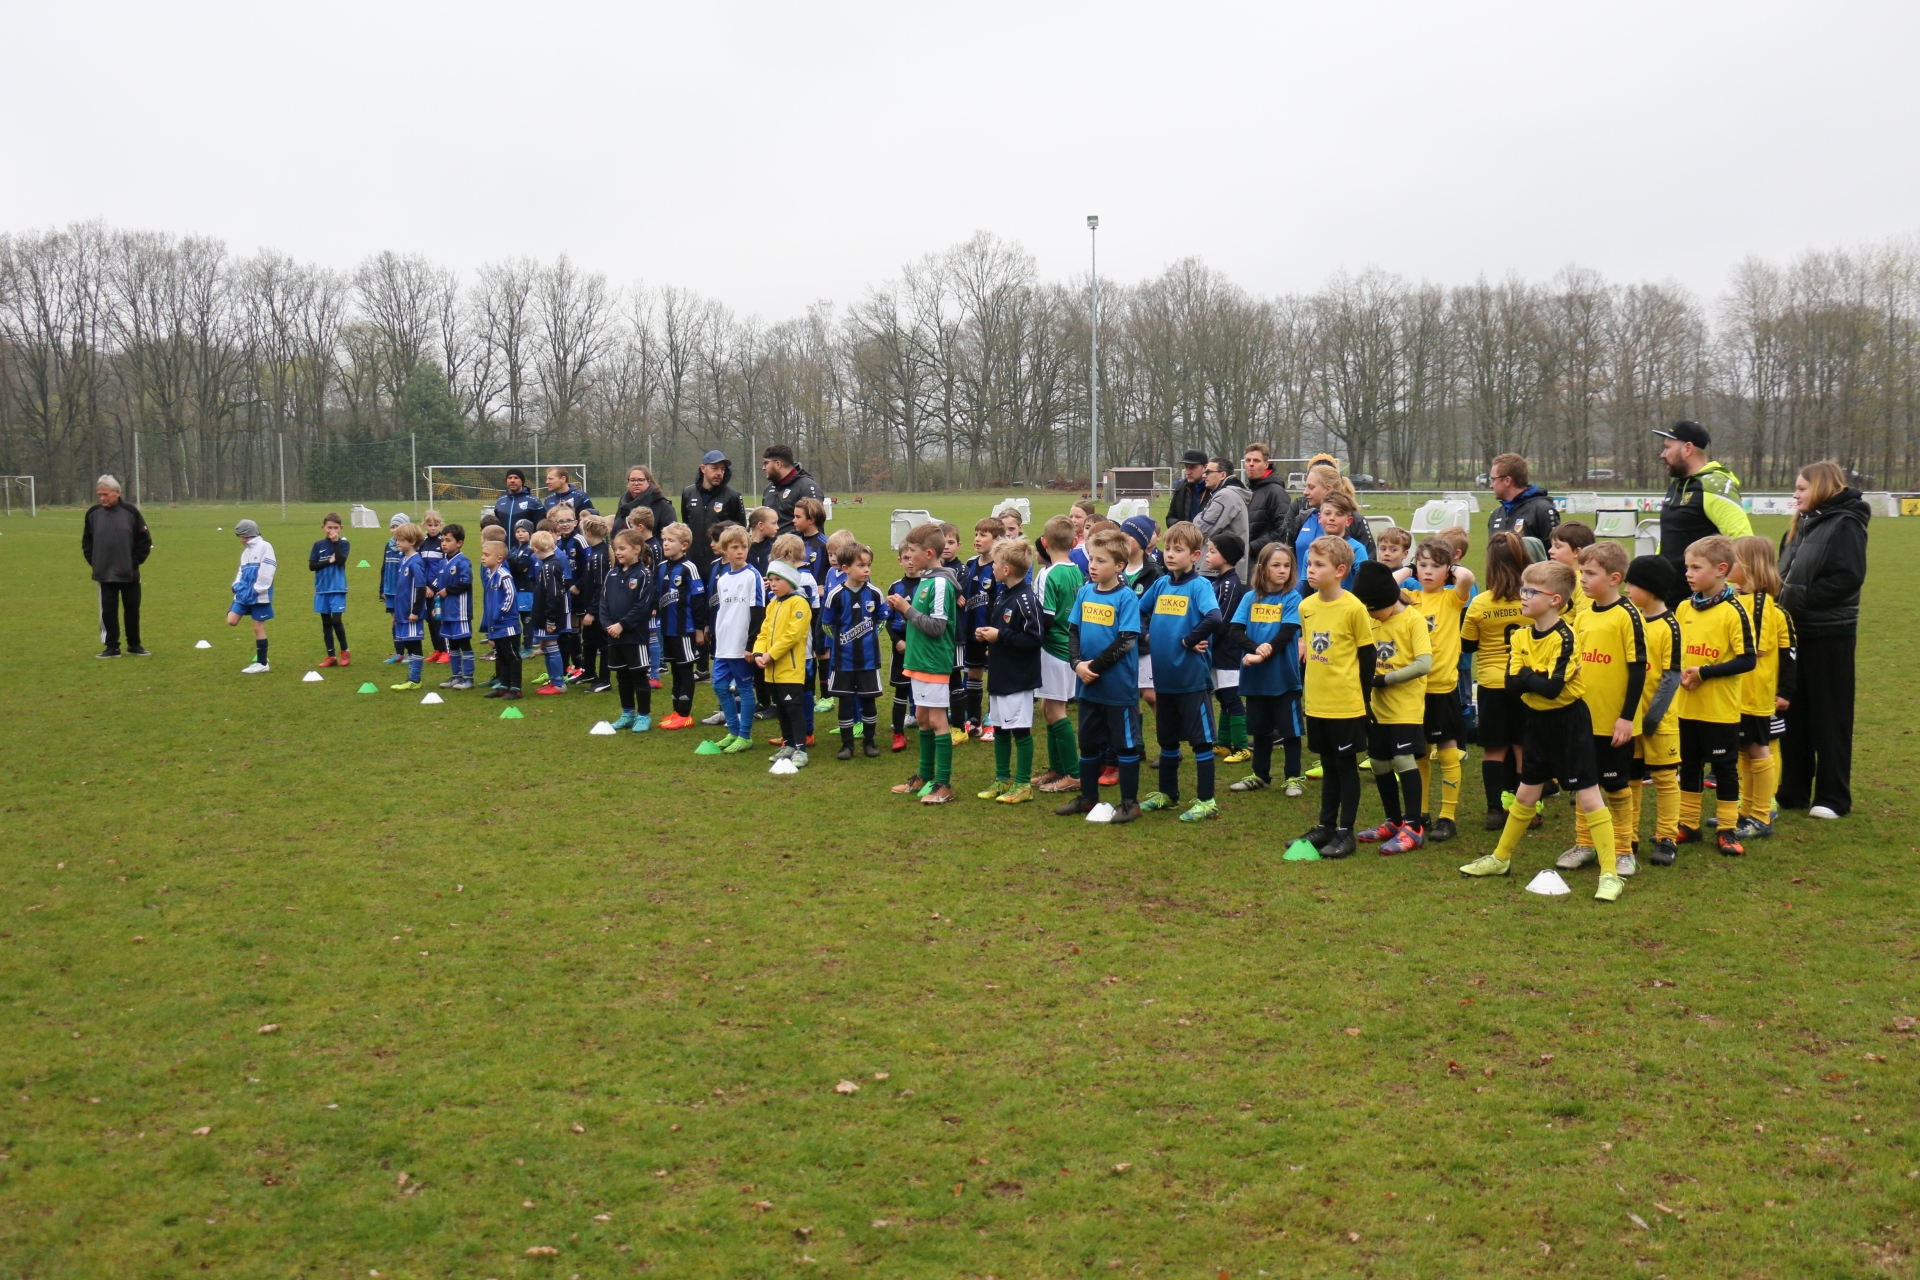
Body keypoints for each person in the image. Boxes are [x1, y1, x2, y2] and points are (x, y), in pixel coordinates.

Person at [1459, 560, 1624, 902]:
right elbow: (1510, 685)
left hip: (1569, 722)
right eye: (1523, 588)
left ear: (1555, 600)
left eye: (1531, 591)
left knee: (1589, 796)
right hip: (1535, 721)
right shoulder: (1520, 635)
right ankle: (1500, 859)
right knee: (1524, 795)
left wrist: (1529, 676)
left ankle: (1610, 874)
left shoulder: (1566, 637)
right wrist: (1535, 677)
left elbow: (1550, 689)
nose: (1523, 595)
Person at [1776, 460, 1868, 819]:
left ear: (1822, 487)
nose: (1795, 494)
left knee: (1831, 716)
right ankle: (1793, 790)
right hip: (1794, 632)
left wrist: (1797, 598)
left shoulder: (1846, 524)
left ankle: (1833, 797)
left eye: (1802, 488)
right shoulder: (1799, 525)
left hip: (1831, 634)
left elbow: (1848, 578)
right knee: (1793, 713)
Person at [1555, 541, 1644, 877]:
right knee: (1584, 784)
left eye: (1590, 573)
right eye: (1581, 572)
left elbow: (1638, 670)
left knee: (1617, 786)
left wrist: (1626, 718)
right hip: (1582, 720)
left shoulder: (1628, 615)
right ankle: (1585, 843)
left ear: (1614, 578)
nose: (1583, 579)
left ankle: (1623, 849)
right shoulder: (1582, 616)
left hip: (1614, 723)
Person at [1137, 522, 1227, 822]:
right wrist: (1146, 635)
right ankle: (1168, 794)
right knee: (1167, 740)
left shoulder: (1199, 586)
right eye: (1168, 549)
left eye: (1178, 550)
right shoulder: (1161, 585)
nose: (1170, 554)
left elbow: (1214, 617)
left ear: (1195, 555)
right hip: (1164, 680)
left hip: (1191, 679)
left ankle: (1207, 801)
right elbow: (1139, 611)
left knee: (1201, 741)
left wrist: (1189, 639)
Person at [1055, 528, 1146, 823]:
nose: (1093, 566)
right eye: (1092, 559)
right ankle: (1088, 797)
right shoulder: (1085, 592)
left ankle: (1130, 803)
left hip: (1117, 687)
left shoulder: (1126, 597)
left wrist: (1092, 668)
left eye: (1101, 561)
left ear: (1119, 566)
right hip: (1088, 685)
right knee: (1088, 743)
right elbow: (1073, 631)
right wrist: (1076, 664)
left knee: (1125, 745)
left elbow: (1126, 640)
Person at [1672, 535, 1755, 856]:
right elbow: (1676, 651)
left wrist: (1704, 673)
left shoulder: (1734, 611)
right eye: (1687, 567)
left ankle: (1727, 829)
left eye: (1696, 567)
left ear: (1721, 570)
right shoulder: (1684, 607)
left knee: (1724, 769)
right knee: (1689, 767)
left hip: (1719, 710)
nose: (1688, 573)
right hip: (1685, 707)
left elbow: (1747, 660)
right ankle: (1688, 825)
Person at [1294, 535, 1375, 858]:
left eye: (1319, 565)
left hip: (1346, 704)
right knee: (1327, 764)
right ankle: (1325, 826)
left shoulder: (1354, 608)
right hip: (1317, 702)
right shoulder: (1306, 606)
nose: (1310, 570)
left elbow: (1367, 658)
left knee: (1345, 766)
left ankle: (1345, 831)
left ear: (1340, 571)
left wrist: (1364, 701)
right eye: (1309, 564)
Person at [1353, 561, 1432, 855]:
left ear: (1388, 600)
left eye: (1374, 609)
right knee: (1378, 763)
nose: (1371, 614)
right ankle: (1393, 821)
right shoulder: (1372, 620)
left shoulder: (1413, 620)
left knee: (1403, 759)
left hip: (1405, 706)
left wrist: (1385, 679)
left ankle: (1414, 827)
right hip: (1378, 707)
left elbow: (1424, 664)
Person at [888, 523, 962, 805]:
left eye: (912, 551)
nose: (908, 556)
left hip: (933, 662)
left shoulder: (940, 583)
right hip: (918, 660)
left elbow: (937, 627)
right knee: (921, 717)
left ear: (928, 553)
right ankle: (925, 775)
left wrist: (906, 609)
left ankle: (944, 783)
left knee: (938, 720)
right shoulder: (926, 579)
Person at [1461, 531, 1531, 828]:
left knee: (1494, 749)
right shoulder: (1533, 599)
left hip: (1492, 683)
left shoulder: (1480, 603)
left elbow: (1467, 645)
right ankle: (1527, 809)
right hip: (1527, 683)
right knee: (1522, 747)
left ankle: (1494, 811)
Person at [1407, 538, 1475, 841]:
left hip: (1442, 688)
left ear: (1448, 570)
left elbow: (1467, 578)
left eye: (1435, 566)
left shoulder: (1451, 598)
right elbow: (1385, 585)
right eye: (1422, 565)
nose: (1427, 571)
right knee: (1419, 754)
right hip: (1413, 688)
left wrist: (1452, 570)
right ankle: (1421, 813)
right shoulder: (1409, 598)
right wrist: (1409, 568)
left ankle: (1448, 817)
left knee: (1447, 753)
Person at [1728, 535, 1794, 840]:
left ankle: (1761, 814)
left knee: (1758, 750)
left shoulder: (1758, 605)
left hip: (1753, 694)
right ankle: (1747, 810)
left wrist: (1785, 691)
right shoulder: (1742, 600)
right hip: (1739, 693)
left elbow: (1758, 650)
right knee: (1745, 752)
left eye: (1732, 560)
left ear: (1749, 566)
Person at [1227, 542, 1304, 796]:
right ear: (1261, 568)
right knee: (1260, 731)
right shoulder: (1250, 597)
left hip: (1284, 678)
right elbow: (1235, 630)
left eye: (1287, 566)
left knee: (1290, 732)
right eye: (1276, 565)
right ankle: (1260, 776)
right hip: (1256, 679)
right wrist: (1255, 648)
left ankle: (1293, 777)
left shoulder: (1292, 598)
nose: (1282, 570)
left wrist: (1263, 652)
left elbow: (1287, 632)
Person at [974, 537, 1045, 803]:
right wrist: (989, 638)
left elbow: (1034, 639)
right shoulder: (1003, 593)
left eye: (995, 563)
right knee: (1000, 728)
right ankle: (1002, 779)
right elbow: (1004, 631)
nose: (991, 567)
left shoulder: (1026, 600)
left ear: (1006, 569)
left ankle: (1023, 784)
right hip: (1000, 673)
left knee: (1020, 730)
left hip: (1018, 677)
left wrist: (1000, 637)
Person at [1623, 555, 1683, 865]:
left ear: (1651, 588)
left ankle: (1667, 838)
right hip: (1630, 719)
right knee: (1632, 777)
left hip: (1658, 721)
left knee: (1664, 777)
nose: (1626, 589)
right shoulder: (1631, 620)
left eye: (1632, 584)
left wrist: (1652, 718)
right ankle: (1629, 836)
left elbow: (1671, 677)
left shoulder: (1670, 626)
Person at [1655, 421, 1752, 605]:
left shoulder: (1714, 485)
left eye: (1667, 448)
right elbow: (1669, 538)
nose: (1663, 454)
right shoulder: (1676, 486)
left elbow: (1742, 540)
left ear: (1688, 449)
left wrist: (1726, 592)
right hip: (1670, 598)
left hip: (1703, 602)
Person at [702, 525, 766, 755]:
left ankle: (745, 736)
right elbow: (723, 611)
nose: (740, 551)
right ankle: (734, 731)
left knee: (745, 688)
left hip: (741, 645)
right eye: (735, 547)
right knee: (719, 686)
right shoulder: (722, 579)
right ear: (724, 550)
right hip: (724, 644)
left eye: (744, 547)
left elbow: (758, 611)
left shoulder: (752, 576)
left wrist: (751, 645)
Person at [1032, 516, 1085, 793]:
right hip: (1071, 648)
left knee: (1055, 710)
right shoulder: (1077, 571)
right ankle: (1057, 768)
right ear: (1074, 542)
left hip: (1053, 649)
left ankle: (1073, 774)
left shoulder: (1047, 574)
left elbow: (1046, 618)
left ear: (1044, 542)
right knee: (1048, 707)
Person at [822, 540, 886, 759]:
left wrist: (870, 636)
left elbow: (882, 620)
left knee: (868, 702)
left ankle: (870, 742)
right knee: (846, 702)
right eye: (861, 565)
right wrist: (842, 640)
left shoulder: (875, 593)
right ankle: (847, 745)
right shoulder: (835, 595)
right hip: (843, 661)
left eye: (868, 565)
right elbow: (827, 625)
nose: (866, 569)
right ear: (846, 568)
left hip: (868, 659)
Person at [754, 560, 815, 770]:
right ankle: (788, 744)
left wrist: (770, 655)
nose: (773, 584)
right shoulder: (773, 604)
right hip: (772, 670)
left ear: (790, 581)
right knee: (781, 708)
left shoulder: (799, 603)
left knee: (794, 709)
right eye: (771, 580)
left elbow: (793, 635)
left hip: (790, 668)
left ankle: (800, 749)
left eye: (778, 579)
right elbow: (764, 632)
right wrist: (758, 653)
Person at [82, 475, 151, 657]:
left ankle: (134, 645)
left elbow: (144, 541)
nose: (102, 498)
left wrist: (133, 563)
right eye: (100, 494)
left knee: (132, 610)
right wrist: (95, 562)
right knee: (108, 611)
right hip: (104, 573)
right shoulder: (93, 514)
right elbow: (87, 542)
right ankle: (111, 647)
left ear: (117, 493)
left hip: (129, 573)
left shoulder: (131, 512)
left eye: (105, 494)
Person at [601, 529, 658, 732]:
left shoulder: (643, 574)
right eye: (616, 548)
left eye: (622, 548)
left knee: (639, 676)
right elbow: (603, 603)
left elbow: (642, 606)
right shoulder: (612, 574)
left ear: (636, 549)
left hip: (635, 636)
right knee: (622, 676)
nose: (618, 552)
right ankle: (627, 713)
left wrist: (622, 625)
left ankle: (643, 716)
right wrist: (608, 625)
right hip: (614, 635)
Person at [652, 522, 708, 729]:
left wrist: (699, 629)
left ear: (684, 545)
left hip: (684, 629)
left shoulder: (689, 568)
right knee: (675, 669)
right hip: (667, 629)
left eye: (671, 540)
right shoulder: (661, 567)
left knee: (685, 669)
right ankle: (677, 710)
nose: (666, 544)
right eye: (664, 540)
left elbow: (698, 600)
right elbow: (656, 593)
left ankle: (685, 714)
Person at [1285, 462, 1380, 568]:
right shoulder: (1303, 518)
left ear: (1328, 489)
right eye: (1306, 487)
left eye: (1311, 487)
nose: (1305, 492)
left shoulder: (1354, 521)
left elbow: (1370, 564)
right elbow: (1288, 557)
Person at [1206, 534, 1250, 764]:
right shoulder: (1217, 582)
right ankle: (1224, 742)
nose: (1207, 555)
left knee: (1232, 697)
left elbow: (1221, 620)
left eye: (1212, 551)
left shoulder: (1230, 584)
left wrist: (1204, 638)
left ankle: (1242, 746)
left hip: (1228, 651)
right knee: (1223, 696)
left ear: (1225, 557)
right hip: (1217, 651)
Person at [960, 518, 1002, 737]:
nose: (977, 539)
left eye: (983, 535)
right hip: (971, 632)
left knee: (995, 675)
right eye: (976, 534)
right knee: (973, 673)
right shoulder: (970, 564)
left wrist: (996, 632)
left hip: (991, 633)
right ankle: (974, 720)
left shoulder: (999, 568)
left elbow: (1002, 603)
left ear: (997, 540)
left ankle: (994, 720)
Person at [226, 519, 278, 675]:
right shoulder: (246, 552)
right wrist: (236, 586)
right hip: (243, 594)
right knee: (231, 620)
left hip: (259, 596)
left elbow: (267, 571)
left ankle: (262, 663)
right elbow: (241, 572)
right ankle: (261, 662)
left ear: (246, 534)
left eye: (239, 536)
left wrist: (257, 590)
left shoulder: (265, 547)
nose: (239, 540)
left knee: (257, 627)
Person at [884, 540, 920, 754]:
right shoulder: (895, 586)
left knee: (924, 688)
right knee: (901, 689)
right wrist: (896, 640)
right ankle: (898, 734)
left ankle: (929, 727)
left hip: (922, 645)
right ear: (900, 561)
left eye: (913, 557)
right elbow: (886, 619)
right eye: (906, 558)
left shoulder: (928, 585)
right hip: (901, 646)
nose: (910, 562)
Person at [528, 530, 574, 696]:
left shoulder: (549, 567)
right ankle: (554, 680)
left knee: (552, 645)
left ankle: (559, 683)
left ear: (536, 550)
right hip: (547, 614)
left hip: (549, 616)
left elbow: (553, 594)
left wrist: (550, 619)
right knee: (547, 647)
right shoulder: (553, 563)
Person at [1485, 453, 1560, 552]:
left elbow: (1555, 555)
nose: (1491, 485)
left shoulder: (1542, 510)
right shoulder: (1496, 515)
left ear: (1507, 481)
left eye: (1493, 479)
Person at [387, 523, 430, 690]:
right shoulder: (402, 560)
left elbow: (420, 587)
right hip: (402, 612)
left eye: (401, 539)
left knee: (413, 644)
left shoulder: (415, 562)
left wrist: (415, 611)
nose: (397, 542)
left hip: (411, 614)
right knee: (408, 643)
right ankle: (412, 678)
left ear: (412, 541)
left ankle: (415, 679)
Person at [1192, 456, 1250, 579]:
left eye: (1208, 472)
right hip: (1222, 570)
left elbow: (1200, 530)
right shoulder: (1225, 494)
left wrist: (1196, 519)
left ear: (1222, 475)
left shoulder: (1225, 496)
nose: (1204, 476)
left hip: (1219, 572)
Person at [434, 524, 475, 690]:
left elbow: (466, 582)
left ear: (459, 543)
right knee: (452, 645)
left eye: (448, 540)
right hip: (447, 611)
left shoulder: (462, 561)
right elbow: (439, 587)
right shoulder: (442, 562)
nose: (444, 543)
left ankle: (469, 678)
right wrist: (437, 605)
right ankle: (456, 676)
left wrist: (448, 591)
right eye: (442, 540)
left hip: (460, 612)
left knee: (464, 643)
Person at [479, 539, 522, 700]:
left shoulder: (504, 575)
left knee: (512, 655)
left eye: (486, 555)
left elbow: (511, 595)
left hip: (507, 625)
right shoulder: (491, 575)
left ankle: (516, 688)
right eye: (483, 554)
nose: (483, 557)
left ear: (499, 558)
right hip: (496, 625)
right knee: (501, 655)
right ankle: (504, 685)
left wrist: (501, 613)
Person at [574, 515, 612, 693]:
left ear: (587, 531)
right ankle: (588, 672)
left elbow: (602, 585)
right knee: (588, 641)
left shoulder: (600, 555)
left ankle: (605, 680)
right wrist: (578, 586)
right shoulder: (594, 552)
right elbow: (589, 577)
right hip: (590, 605)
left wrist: (592, 612)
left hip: (598, 610)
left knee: (603, 644)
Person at [309, 513, 351, 667]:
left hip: (337, 588)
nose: (332, 531)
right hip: (322, 589)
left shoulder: (343, 544)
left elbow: (340, 561)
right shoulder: (318, 545)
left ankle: (345, 651)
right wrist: (328, 560)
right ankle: (331, 656)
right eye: (329, 527)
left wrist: (335, 543)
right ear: (323, 527)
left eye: (335, 528)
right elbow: (312, 566)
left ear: (341, 528)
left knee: (336, 620)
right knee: (326, 623)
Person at [1242, 442, 1293, 563]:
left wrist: (1252, 547)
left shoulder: (1276, 492)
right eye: (1248, 460)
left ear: (1266, 465)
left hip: (1264, 561)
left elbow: (1283, 530)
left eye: (1256, 461)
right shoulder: (1249, 491)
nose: (1251, 464)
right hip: (1247, 561)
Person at [760, 444, 826, 536]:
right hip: (772, 545)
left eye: (766, 463)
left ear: (778, 464)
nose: (763, 468)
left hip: (795, 545)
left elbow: (815, 529)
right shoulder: (769, 489)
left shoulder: (806, 487)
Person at [1314, 493, 1370, 589]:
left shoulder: (1357, 549)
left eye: (1339, 514)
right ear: (1319, 518)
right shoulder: (1313, 550)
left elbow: (1364, 585)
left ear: (1348, 521)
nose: (1332, 518)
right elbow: (1307, 590)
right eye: (1327, 513)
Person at [418, 511, 449, 665]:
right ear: (424, 526)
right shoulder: (422, 543)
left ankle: (446, 651)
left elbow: (444, 568)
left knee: (438, 619)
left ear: (440, 525)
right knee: (429, 620)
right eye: (430, 525)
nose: (433, 528)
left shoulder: (443, 543)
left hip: (438, 589)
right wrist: (424, 586)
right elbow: (420, 566)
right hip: (426, 589)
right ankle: (437, 649)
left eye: (436, 525)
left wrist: (432, 586)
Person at [1547, 522, 1594, 617]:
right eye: (1551, 545)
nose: (1550, 551)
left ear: (1577, 552)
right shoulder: (1553, 576)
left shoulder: (1583, 582)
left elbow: (1584, 618)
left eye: (1558, 547)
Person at [381, 512, 410, 664]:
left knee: (405, 620)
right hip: (390, 590)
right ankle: (399, 653)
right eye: (392, 527)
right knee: (394, 621)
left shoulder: (408, 547)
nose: (394, 530)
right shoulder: (388, 545)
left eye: (398, 526)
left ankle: (411, 652)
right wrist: (382, 589)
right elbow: (384, 568)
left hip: (403, 591)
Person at [614, 465, 675, 535]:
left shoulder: (662, 505)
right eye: (632, 480)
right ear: (628, 483)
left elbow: (671, 535)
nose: (636, 483)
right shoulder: (623, 503)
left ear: (649, 482)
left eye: (640, 480)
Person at [508, 519, 537, 657]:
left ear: (530, 533)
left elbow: (520, 566)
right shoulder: (515, 549)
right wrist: (516, 566)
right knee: (516, 619)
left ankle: (529, 648)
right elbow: (514, 567)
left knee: (527, 620)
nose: (520, 534)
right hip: (515, 588)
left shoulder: (530, 550)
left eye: (524, 531)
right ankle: (518, 646)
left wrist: (513, 563)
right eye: (518, 531)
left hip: (526, 590)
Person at [1166, 448, 1210, 527]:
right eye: (1186, 467)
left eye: (1193, 467)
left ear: (1205, 467)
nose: (1188, 472)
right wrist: (1183, 528)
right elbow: (1170, 517)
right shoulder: (1181, 488)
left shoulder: (1215, 489)